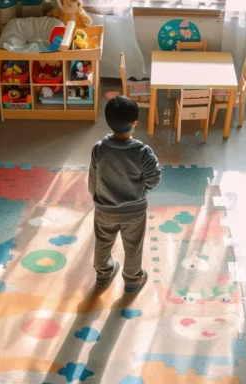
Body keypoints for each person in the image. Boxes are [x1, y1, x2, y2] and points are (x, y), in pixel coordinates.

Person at [89, 96, 161, 293]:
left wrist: (98, 199)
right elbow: (154, 179)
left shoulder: (99, 149)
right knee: (133, 246)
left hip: (104, 209)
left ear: (108, 122)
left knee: (103, 242)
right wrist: (142, 190)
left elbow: (92, 181)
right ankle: (132, 280)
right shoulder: (143, 152)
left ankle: (103, 275)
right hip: (134, 212)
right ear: (135, 123)